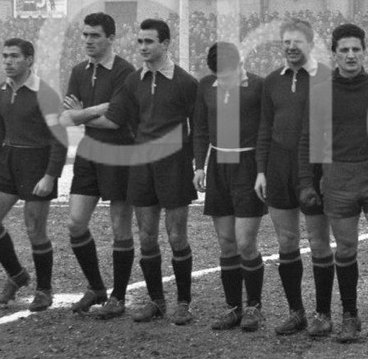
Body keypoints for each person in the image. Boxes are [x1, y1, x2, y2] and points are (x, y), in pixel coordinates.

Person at [84, 18, 198, 324]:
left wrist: (192, 162)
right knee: (147, 237)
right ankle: (157, 302)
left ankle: (183, 303)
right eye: (140, 41)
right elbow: (120, 119)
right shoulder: (134, 81)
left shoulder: (186, 82)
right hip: (142, 165)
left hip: (174, 166)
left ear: (165, 44)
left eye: (149, 41)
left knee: (177, 236)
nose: (143, 47)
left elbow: (198, 127)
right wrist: (77, 117)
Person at [298, 22, 368, 343]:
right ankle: (349, 314)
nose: (351, 55)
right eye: (344, 50)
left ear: (365, 52)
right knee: (346, 248)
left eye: (356, 49)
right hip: (338, 177)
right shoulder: (321, 91)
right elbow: (309, 139)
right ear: (334, 53)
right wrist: (306, 182)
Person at [254, 18, 332, 337]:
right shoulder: (272, 81)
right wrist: (261, 170)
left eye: (297, 42)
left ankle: (323, 314)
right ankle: (295, 312)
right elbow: (264, 127)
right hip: (278, 166)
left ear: (310, 44)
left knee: (318, 241)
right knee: (286, 240)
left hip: (314, 167)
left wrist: (327, 171)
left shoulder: (327, 78)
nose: (290, 47)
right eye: (286, 42)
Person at [0, 38, 68, 310]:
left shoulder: (46, 93)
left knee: (34, 229)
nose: (8, 61)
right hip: (7, 161)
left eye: (14, 56)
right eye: (5, 56)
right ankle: (17, 275)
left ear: (29, 60)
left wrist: (50, 176)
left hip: (36, 163)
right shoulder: (2, 89)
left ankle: (44, 289)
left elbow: (60, 139)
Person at [57, 13, 136, 317]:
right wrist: (97, 110)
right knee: (75, 223)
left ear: (111, 38)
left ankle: (118, 297)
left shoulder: (124, 71)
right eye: (85, 35)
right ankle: (96, 288)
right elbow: (66, 118)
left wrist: (83, 114)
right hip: (89, 151)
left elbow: (115, 121)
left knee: (120, 227)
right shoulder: (79, 71)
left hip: (119, 152)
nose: (88, 41)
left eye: (95, 35)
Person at [193, 42, 267, 331]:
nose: (223, 81)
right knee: (226, 242)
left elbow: (265, 131)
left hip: (247, 164)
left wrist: (262, 170)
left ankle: (254, 307)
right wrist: (199, 166)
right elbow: (200, 128)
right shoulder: (205, 86)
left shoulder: (257, 87)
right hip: (219, 165)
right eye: (219, 76)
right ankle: (233, 307)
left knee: (245, 242)